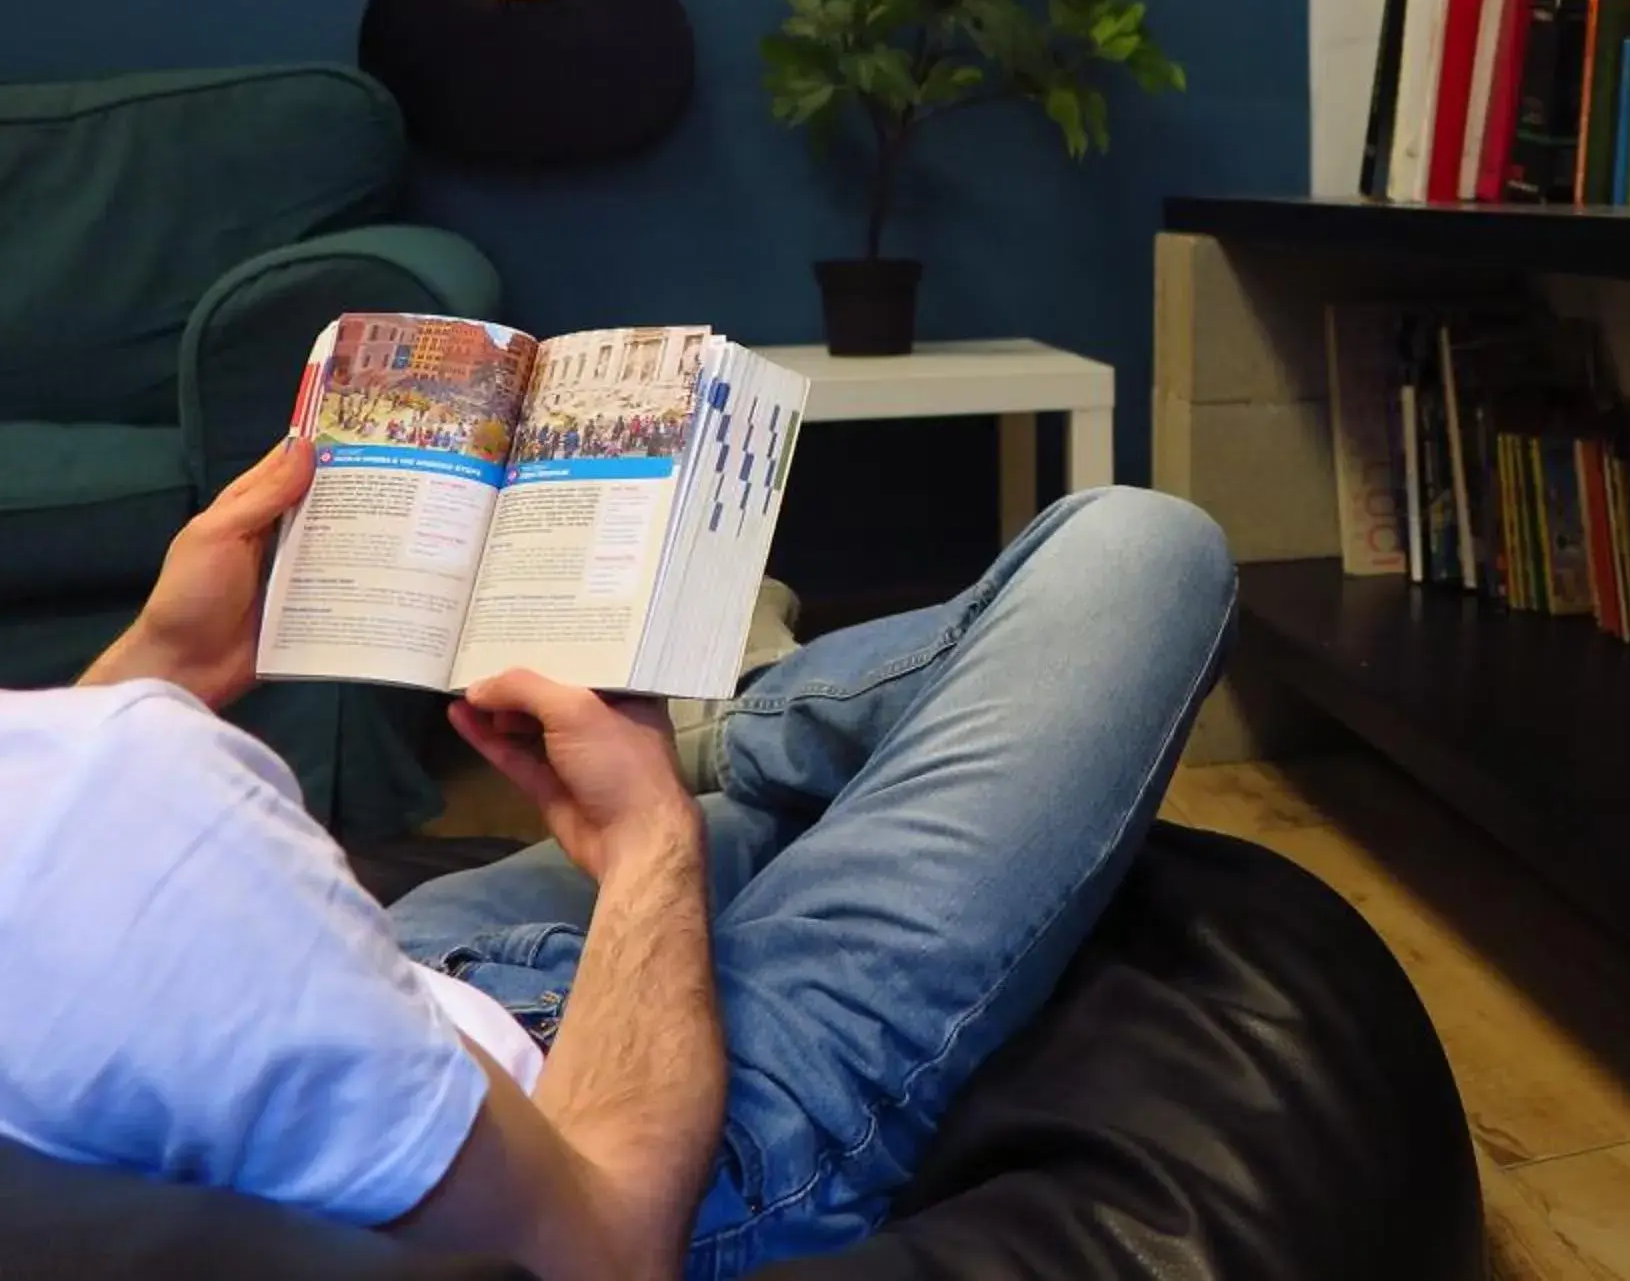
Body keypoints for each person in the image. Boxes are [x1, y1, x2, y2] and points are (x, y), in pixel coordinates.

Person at [0, 439, 1236, 1278]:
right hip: (637, 1140)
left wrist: (160, 668)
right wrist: (648, 841)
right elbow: (600, 1244)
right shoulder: (153, 802)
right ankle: (723, 719)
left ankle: (727, 719)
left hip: (396, 985)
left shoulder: (126, 800)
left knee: (787, 785)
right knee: (1138, 547)